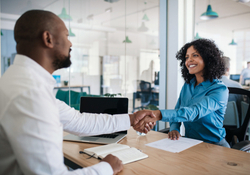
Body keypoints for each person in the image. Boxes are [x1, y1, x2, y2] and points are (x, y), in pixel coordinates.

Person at [0, 10, 155, 175]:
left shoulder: (17, 81)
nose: (70, 43)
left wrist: (131, 119)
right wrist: (106, 167)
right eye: (66, 35)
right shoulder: (30, 95)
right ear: (48, 39)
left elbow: (79, 121)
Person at [134, 39, 230, 148]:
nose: (189, 60)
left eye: (195, 55)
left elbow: (193, 112)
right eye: (187, 57)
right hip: (190, 143)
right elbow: (178, 109)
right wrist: (174, 128)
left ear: (208, 59)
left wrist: (157, 114)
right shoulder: (188, 85)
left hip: (214, 146)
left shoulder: (219, 90)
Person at [221, 56, 243, 121]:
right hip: (235, 124)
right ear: (228, 69)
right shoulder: (237, 86)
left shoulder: (209, 85)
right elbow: (241, 107)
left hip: (213, 126)